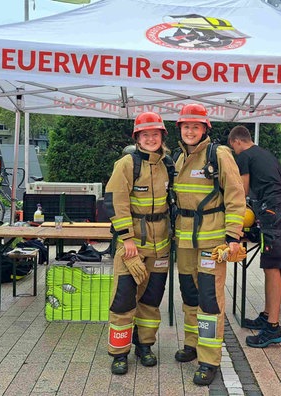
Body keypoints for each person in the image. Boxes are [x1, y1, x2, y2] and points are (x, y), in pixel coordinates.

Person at [172, 103, 246, 386]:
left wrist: (233, 237)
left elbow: (236, 196)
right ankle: (192, 344)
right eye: (186, 126)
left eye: (196, 126)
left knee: (209, 301)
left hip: (212, 242)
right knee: (189, 296)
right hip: (185, 241)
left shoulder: (220, 155)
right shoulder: (179, 158)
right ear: (180, 129)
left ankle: (209, 359)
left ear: (205, 129)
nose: (190, 131)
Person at [104, 112, 172, 375]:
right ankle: (119, 353)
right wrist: (127, 238)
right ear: (137, 138)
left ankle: (145, 346)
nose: (151, 138)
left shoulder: (168, 165)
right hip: (132, 245)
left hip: (161, 245)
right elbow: (114, 200)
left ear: (162, 137)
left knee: (151, 300)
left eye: (155, 134)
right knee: (123, 300)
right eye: (146, 134)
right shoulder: (126, 164)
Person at [228, 125, 281, 348]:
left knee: (273, 268)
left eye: (233, 149)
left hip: (272, 211)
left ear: (236, 142)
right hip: (278, 208)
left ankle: (273, 328)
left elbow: (241, 191)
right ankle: (266, 316)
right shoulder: (266, 154)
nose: (235, 153)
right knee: (268, 267)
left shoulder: (244, 155)